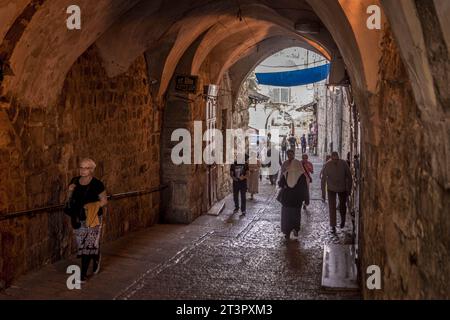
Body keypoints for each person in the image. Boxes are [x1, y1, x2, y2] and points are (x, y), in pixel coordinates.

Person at [66, 158, 107, 283]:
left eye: (86, 168)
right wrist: (69, 191)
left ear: (92, 170)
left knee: (87, 245)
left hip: (93, 218)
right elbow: (69, 200)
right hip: (78, 217)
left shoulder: (97, 184)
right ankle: (96, 256)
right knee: (82, 245)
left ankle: (82, 275)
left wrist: (91, 206)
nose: (83, 170)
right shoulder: (74, 181)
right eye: (81, 167)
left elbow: (104, 201)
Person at [278, 149, 308, 240]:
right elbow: (304, 187)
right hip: (297, 199)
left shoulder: (286, 173)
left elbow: (280, 184)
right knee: (296, 214)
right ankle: (296, 229)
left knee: (287, 215)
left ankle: (287, 232)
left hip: (287, 199)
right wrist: (306, 199)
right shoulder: (301, 175)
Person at [320, 152, 352, 233]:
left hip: (342, 188)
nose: (335, 161)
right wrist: (323, 194)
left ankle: (343, 220)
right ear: (331, 158)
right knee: (332, 207)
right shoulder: (327, 165)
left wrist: (349, 189)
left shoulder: (344, 163)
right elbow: (323, 179)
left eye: (337, 159)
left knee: (342, 205)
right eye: (334, 159)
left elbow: (349, 176)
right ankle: (333, 225)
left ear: (338, 157)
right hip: (331, 188)